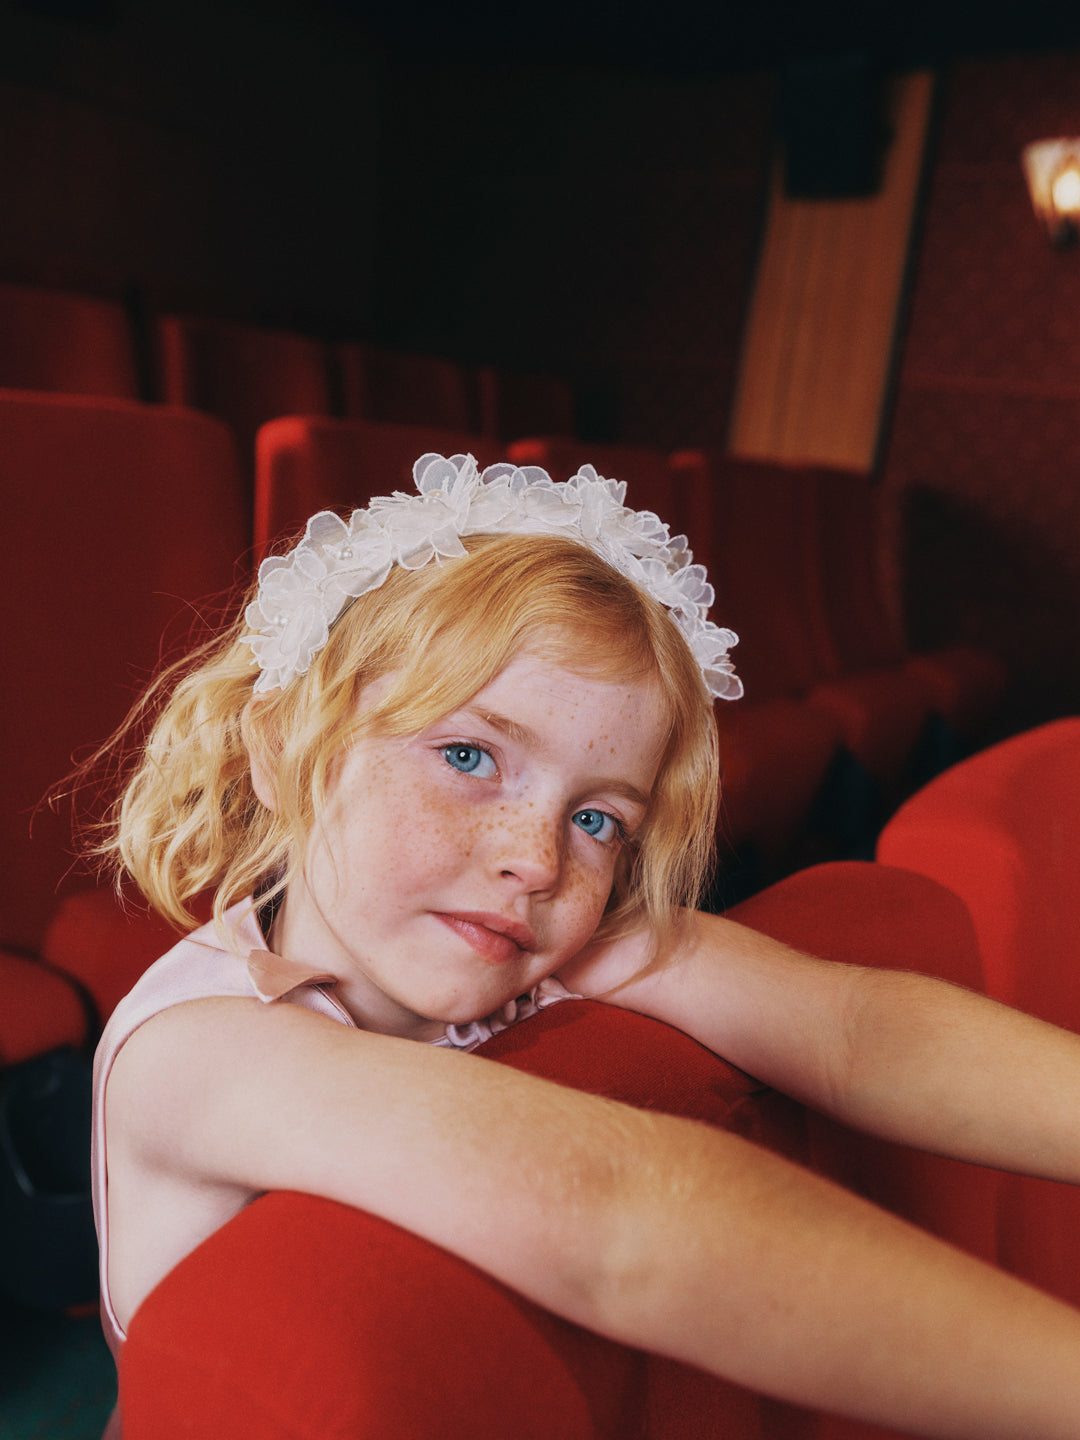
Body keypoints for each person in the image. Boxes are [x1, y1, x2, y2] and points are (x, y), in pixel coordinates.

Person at [92, 452, 1080, 1439]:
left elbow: (854, 1034)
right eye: (469, 756)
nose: (536, 860)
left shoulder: (550, 944)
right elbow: (618, 1217)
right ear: (279, 749)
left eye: (598, 819)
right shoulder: (199, 1054)